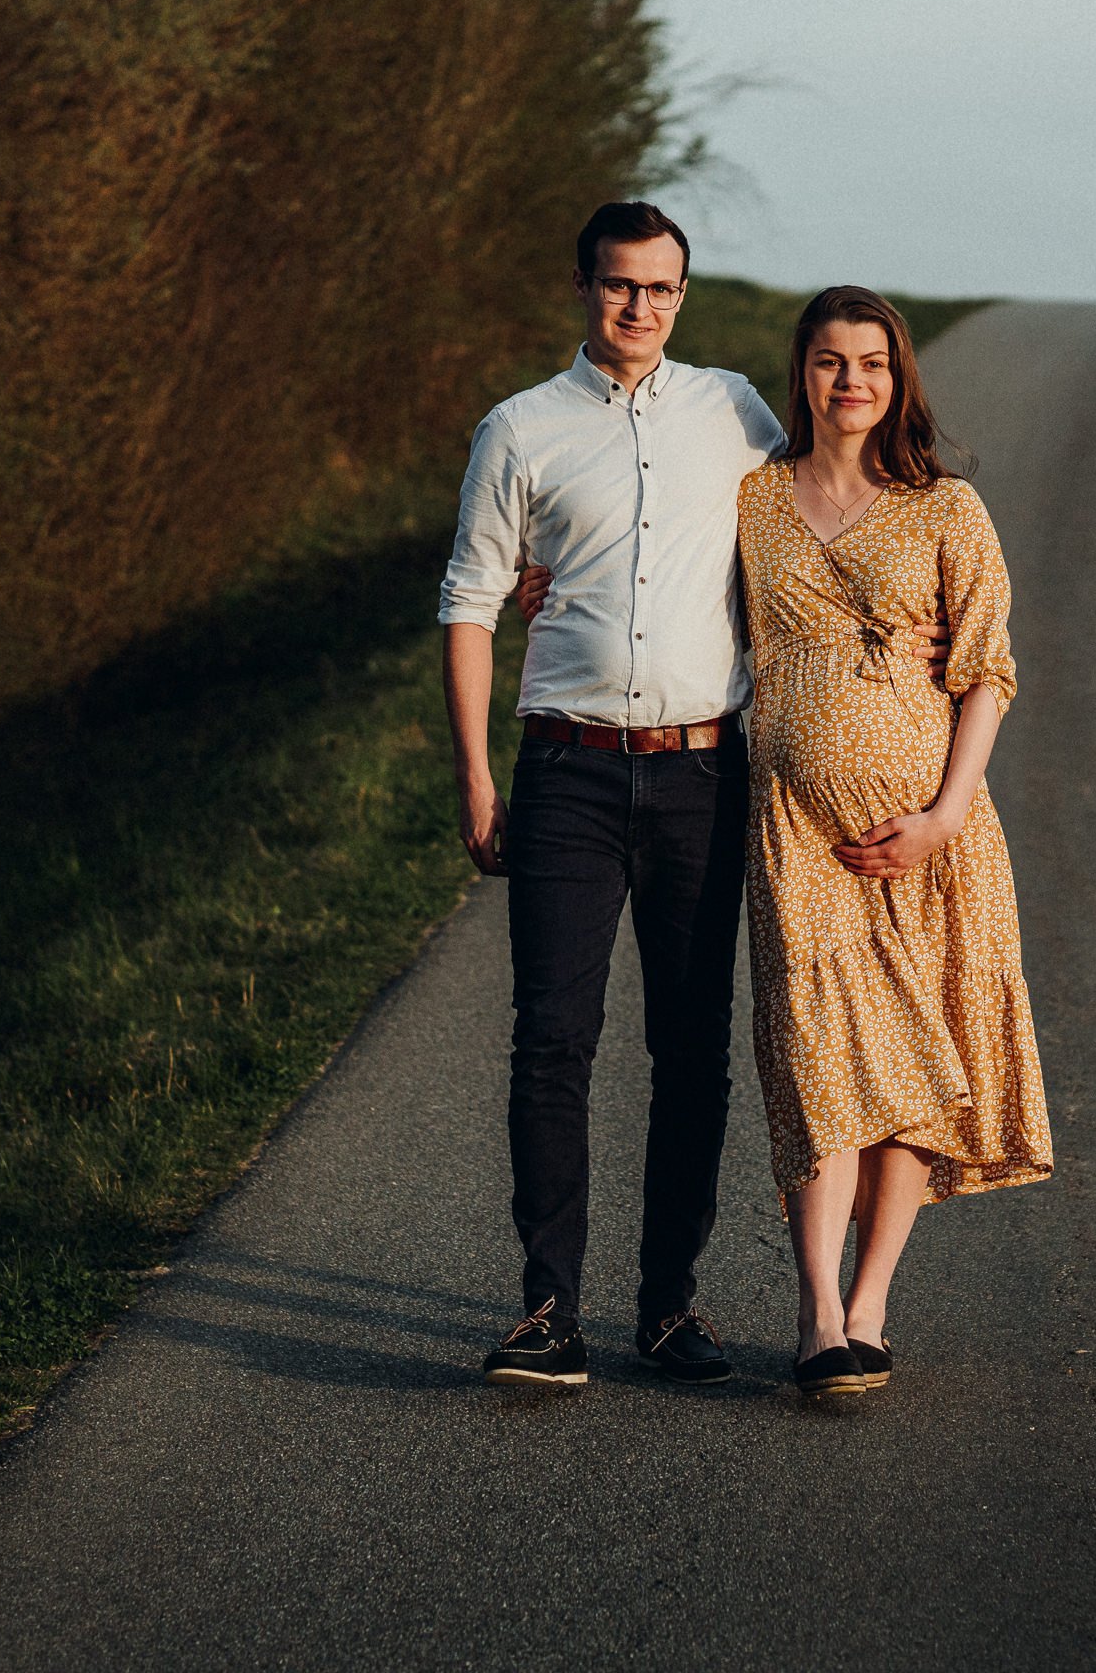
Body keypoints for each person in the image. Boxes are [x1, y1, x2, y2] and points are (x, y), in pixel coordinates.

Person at [439, 205, 948, 1388]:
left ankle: (667, 1308)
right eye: (621, 287)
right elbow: (469, 598)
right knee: (552, 1040)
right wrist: (474, 774)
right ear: (583, 286)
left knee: (693, 1050)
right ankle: (547, 1310)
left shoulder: (733, 410)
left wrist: (914, 621)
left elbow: (825, 509)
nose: (641, 309)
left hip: (702, 771)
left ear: (684, 294)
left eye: (663, 290)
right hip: (563, 769)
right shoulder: (518, 430)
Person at [735, 286, 1053, 1396]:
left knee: (913, 1067)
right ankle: (817, 1314)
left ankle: (870, 1302)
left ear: (899, 376)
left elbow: (988, 670)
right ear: (803, 372)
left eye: (871, 362)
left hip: (930, 830)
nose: (851, 381)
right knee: (823, 1061)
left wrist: (946, 813)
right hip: (796, 831)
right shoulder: (752, 497)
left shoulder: (946, 508)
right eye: (830, 361)